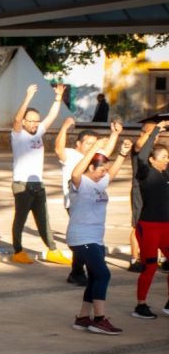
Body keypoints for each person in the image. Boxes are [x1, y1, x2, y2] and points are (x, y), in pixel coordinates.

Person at [67, 135, 128, 334]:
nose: (105, 174)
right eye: (101, 170)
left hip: (95, 238)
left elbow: (114, 172)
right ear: (91, 168)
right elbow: (77, 171)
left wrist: (122, 154)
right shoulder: (80, 182)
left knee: (95, 276)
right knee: (103, 273)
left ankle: (83, 318)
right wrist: (93, 149)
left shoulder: (100, 183)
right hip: (81, 238)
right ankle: (99, 319)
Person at [10, 83, 70, 265]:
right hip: (22, 184)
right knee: (20, 219)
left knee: (44, 219)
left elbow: (52, 116)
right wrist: (28, 96)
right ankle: (18, 251)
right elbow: (17, 120)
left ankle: (52, 250)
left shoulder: (38, 133)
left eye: (37, 120)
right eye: (32, 120)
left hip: (38, 184)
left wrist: (58, 97)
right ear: (25, 122)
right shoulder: (18, 135)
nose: (36, 123)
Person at [54, 117, 100, 286]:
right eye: (89, 143)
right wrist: (65, 127)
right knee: (82, 237)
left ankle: (78, 270)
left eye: (95, 143)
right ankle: (77, 271)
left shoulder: (95, 158)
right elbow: (58, 149)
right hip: (74, 203)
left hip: (91, 202)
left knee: (86, 237)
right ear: (79, 144)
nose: (92, 147)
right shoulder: (72, 154)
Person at [131, 141, 169, 319]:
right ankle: (140, 305)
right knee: (151, 266)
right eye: (163, 157)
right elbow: (140, 156)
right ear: (152, 160)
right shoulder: (145, 173)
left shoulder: (166, 174)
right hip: (149, 227)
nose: (167, 160)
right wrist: (155, 131)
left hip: (166, 227)